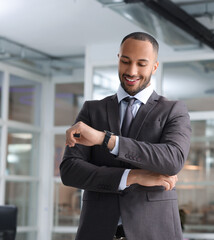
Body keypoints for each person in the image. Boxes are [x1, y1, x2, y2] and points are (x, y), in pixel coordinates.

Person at [60, 32, 191, 240]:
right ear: (118, 59)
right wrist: (134, 176)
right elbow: (70, 170)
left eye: (141, 64)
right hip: (97, 230)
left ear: (154, 67)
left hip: (154, 232)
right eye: (126, 61)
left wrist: (106, 139)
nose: (131, 71)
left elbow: (172, 160)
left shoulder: (173, 110)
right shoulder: (92, 110)